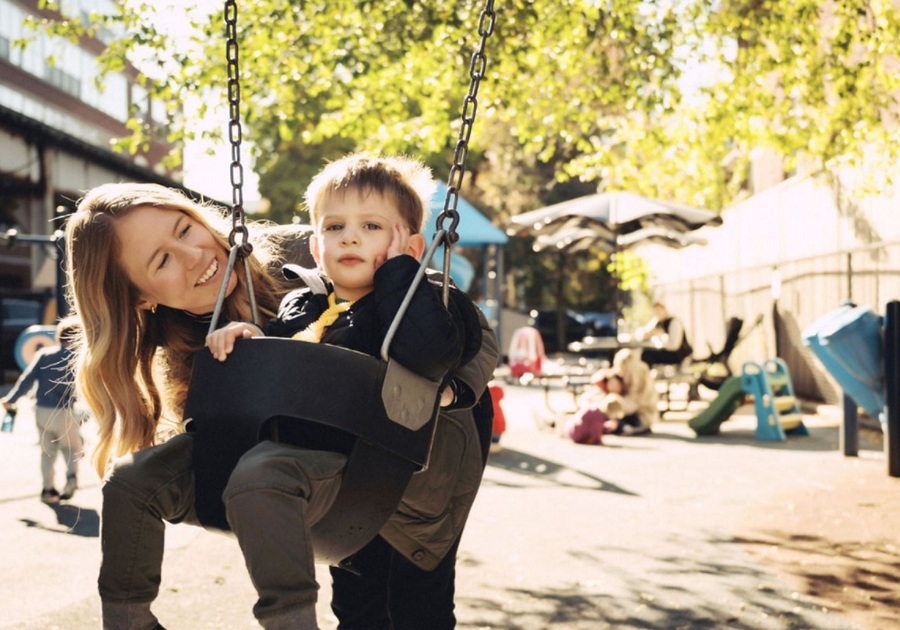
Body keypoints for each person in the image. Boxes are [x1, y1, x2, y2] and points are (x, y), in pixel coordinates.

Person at [65, 172, 496, 629]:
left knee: (410, 604)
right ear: (140, 298)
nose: (196, 256)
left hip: (426, 451)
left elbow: (461, 325)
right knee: (358, 605)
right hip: (312, 459)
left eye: (185, 229)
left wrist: (448, 391)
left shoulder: (310, 249)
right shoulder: (178, 343)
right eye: (162, 262)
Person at [205, 153, 485, 628]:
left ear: (411, 247)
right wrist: (250, 341)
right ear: (317, 248)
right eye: (335, 227)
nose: (350, 237)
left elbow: (431, 353)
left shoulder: (433, 301)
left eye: (372, 227)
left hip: (420, 496)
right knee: (356, 606)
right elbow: (281, 374)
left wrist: (399, 273)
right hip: (346, 492)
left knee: (420, 608)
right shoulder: (306, 305)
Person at [1, 316, 84, 504]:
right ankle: (71, 477)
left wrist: (11, 400)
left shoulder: (44, 355)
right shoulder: (78, 358)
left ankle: (48, 489)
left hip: (42, 410)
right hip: (64, 411)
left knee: (47, 452)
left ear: (59, 336)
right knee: (71, 448)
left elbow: (26, 380)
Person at [564, 367, 627, 444]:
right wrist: (599, 441)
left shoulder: (597, 408)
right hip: (577, 434)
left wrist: (607, 427)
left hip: (572, 429)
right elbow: (595, 430)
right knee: (591, 438)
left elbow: (597, 426)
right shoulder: (598, 415)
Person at [607, 348, 658, 435]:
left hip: (643, 414)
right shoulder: (619, 376)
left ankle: (630, 428)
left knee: (623, 421)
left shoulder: (641, 376)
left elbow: (634, 404)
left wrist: (618, 402)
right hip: (627, 411)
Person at [636, 301, 693, 367]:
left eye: (659, 311)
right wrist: (649, 334)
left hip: (679, 354)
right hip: (667, 351)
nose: (657, 314)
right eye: (655, 312)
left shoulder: (674, 322)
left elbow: (674, 346)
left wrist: (660, 336)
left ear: (665, 310)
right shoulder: (656, 322)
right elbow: (642, 334)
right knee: (644, 353)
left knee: (647, 355)